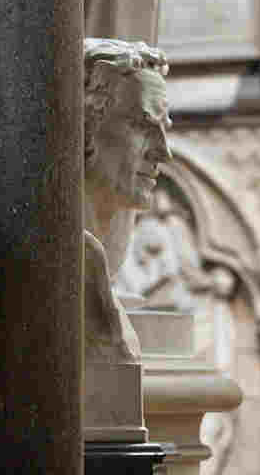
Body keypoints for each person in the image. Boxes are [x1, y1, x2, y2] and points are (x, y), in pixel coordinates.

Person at [83, 38, 172, 363]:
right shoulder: (69, 263)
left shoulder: (102, 264)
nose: (164, 152)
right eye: (142, 126)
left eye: (164, 129)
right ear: (84, 127)